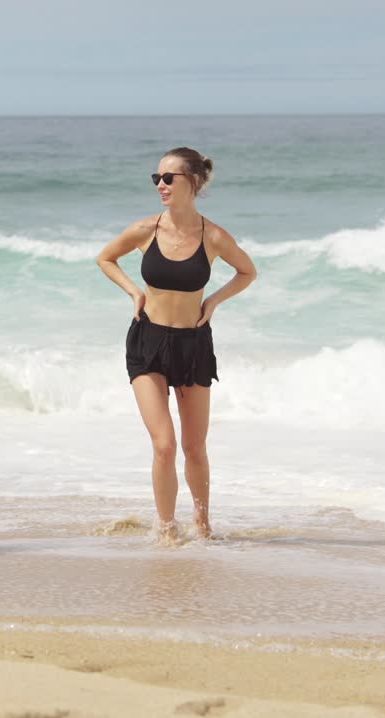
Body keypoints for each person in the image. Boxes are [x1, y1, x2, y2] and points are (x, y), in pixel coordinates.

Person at [96, 147, 257, 541]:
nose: (161, 185)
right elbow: (105, 258)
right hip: (147, 341)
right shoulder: (145, 230)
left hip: (193, 345)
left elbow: (247, 271)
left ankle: (202, 526)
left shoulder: (213, 236)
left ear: (193, 182)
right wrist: (134, 292)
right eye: (157, 178)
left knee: (195, 448)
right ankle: (166, 531)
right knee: (164, 445)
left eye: (169, 178)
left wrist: (214, 301)